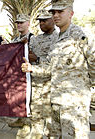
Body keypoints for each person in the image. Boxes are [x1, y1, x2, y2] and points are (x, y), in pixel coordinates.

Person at [21, 0, 95, 138]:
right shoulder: (56, 39)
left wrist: (85, 87)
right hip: (56, 100)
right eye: (53, 12)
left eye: (60, 12)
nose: (56, 15)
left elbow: (94, 64)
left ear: (71, 14)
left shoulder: (80, 35)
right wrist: (32, 68)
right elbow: (50, 67)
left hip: (75, 104)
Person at [17, 10, 58, 139]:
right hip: (35, 83)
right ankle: (36, 135)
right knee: (36, 114)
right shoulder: (35, 39)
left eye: (45, 20)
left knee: (51, 118)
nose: (41, 23)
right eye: (40, 21)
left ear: (53, 20)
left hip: (50, 85)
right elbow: (29, 54)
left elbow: (55, 64)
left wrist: (37, 59)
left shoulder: (58, 38)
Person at [8, 13, 37, 129]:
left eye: (21, 22)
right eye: (17, 23)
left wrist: (26, 52)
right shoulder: (15, 39)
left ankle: (29, 125)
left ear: (28, 23)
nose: (19, 25)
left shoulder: (33, 38)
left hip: (29, 74)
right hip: (17, 75)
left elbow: (36, 56)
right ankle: (21, 120)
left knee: (30, 99)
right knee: (20, 98)